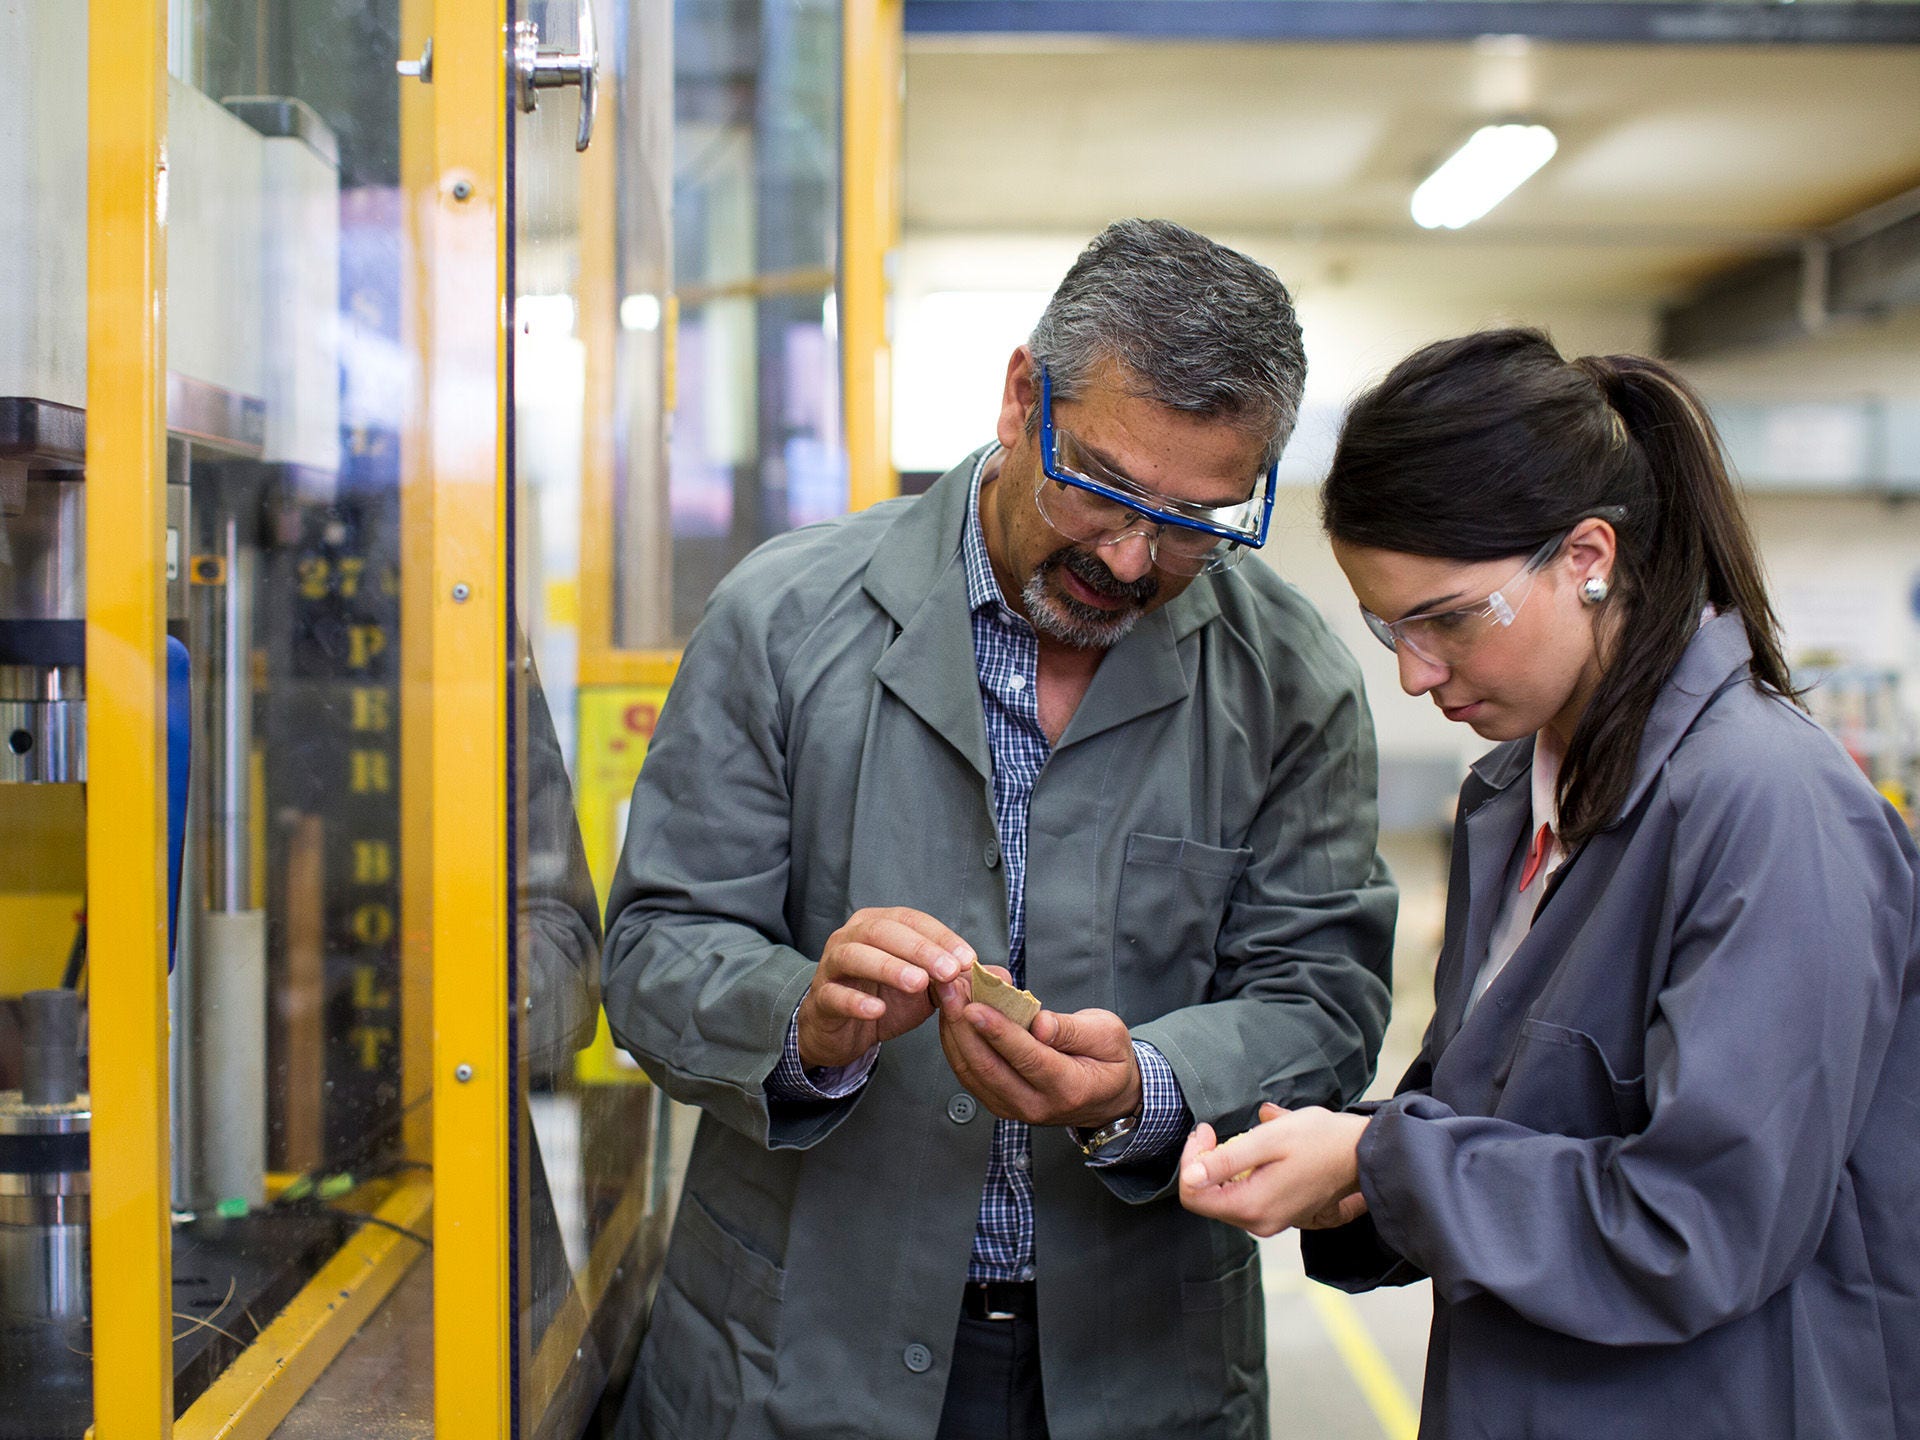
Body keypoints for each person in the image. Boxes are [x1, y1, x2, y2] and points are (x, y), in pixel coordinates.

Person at [602, 218, 1396, 1440]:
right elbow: (658, 948)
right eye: (1107, 491)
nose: (1134, 560)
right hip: (792, 1362)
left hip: (1141, 1374)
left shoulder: (1290, 683)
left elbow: (1325, 1001)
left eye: (1197, 521)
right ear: (1025, 398)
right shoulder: (783, 620)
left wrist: (1149, 1082)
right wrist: (802, 1023)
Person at [1179, 328, 1920, 1438]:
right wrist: (1342, 1169)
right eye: (1388, 626)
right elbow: (1487, 1125)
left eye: (1447, 619)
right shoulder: (1515, 801)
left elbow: (1698, 1228)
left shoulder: (1769, 809)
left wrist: (1387, 1161)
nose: (1414, 674)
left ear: (1588, 557)